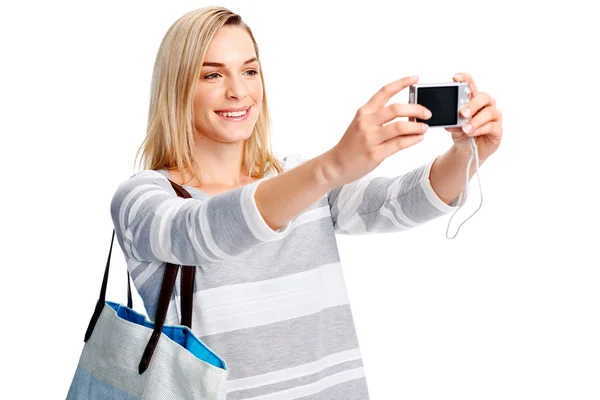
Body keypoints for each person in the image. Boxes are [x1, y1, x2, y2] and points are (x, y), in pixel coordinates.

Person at [110, 6, 503, 399]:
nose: (239, 91)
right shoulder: (142, 199)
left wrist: (469, 155)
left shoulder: (294, 178)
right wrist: (332, 166)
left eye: (249, 70)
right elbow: (202, 231)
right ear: (176, 88)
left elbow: (393, 204)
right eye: (213, 74)